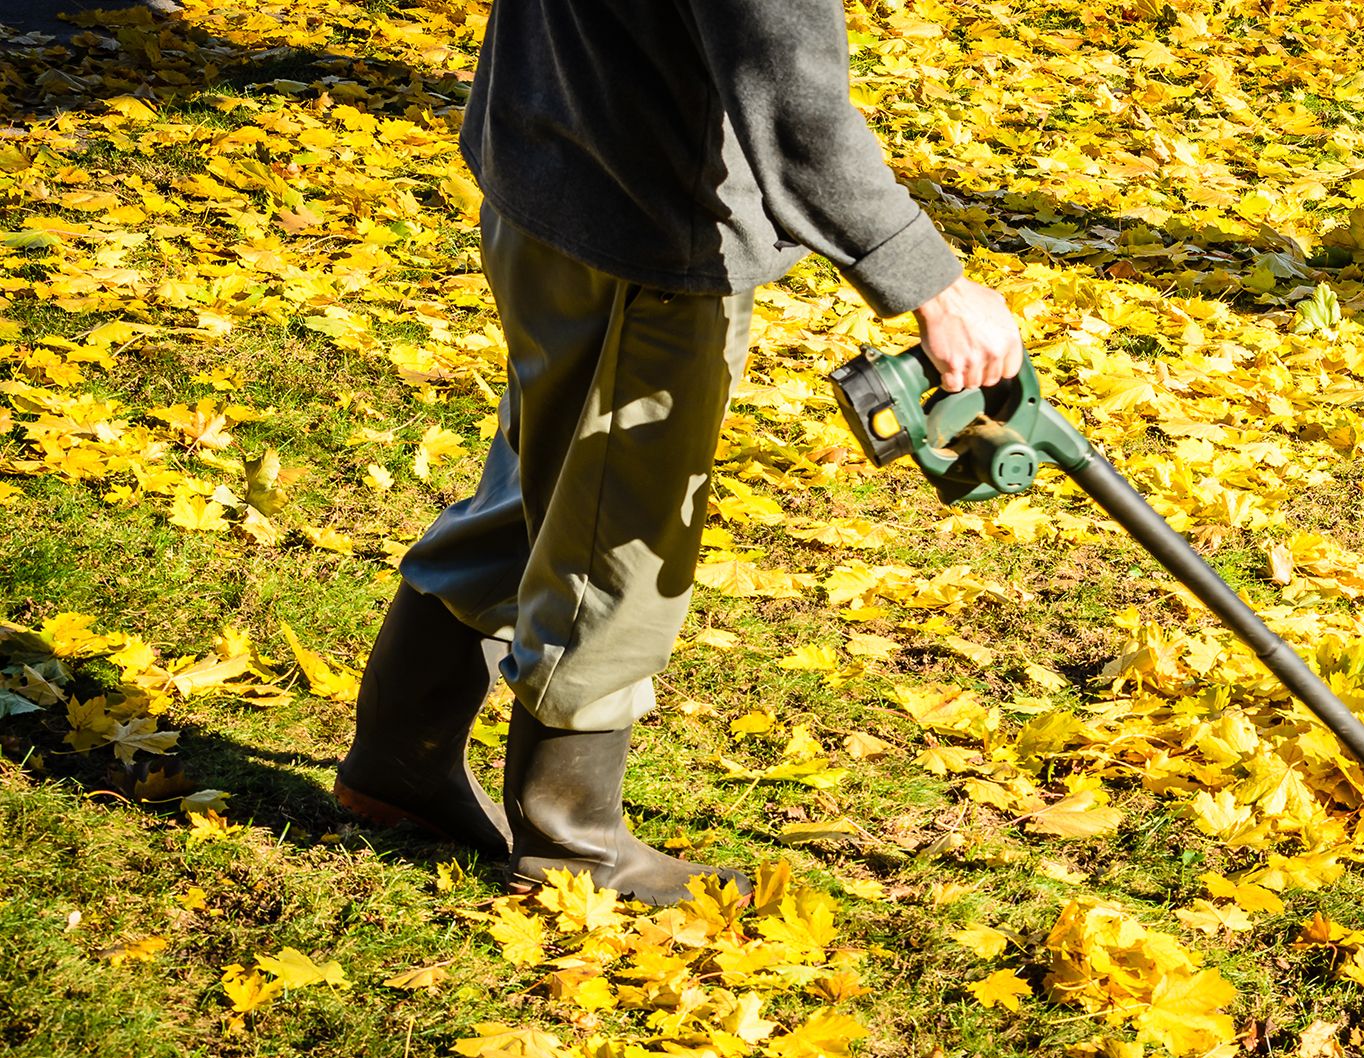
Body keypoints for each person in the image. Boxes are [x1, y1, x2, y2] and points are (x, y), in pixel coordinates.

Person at [332, 0, 1024, 904]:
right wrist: (932, 285)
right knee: (617, 541)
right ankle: (571, 847)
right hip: (645, 227)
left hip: (544, 170)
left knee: (545, 489)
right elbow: (792, 95)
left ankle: (397, 770)